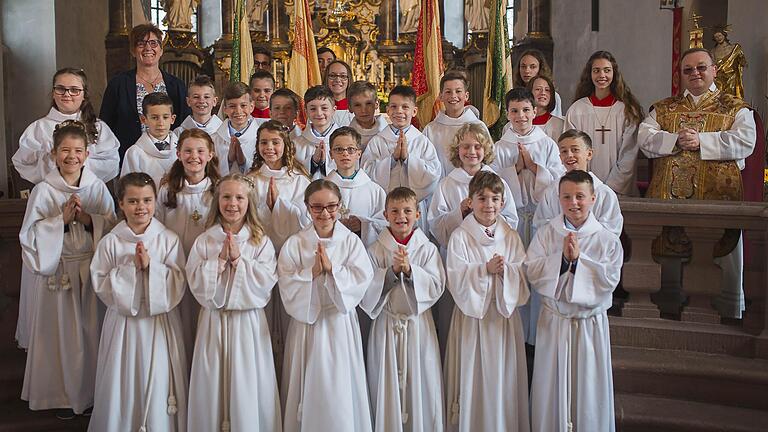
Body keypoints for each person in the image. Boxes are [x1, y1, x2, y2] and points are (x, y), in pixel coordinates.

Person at [638, 47, 756, 319]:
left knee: (719, 253)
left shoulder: (735, 107)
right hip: (670, 201)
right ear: (680, 74)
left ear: (714, 70)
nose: (695, 73)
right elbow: (644, 138)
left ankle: (724, 311)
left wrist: (701, 141)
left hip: (718, 201)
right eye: (688, 69)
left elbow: (746, 141)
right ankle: (669, 308)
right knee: (670, 256)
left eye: (701, 67)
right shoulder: (665, 108)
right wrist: (674, 140)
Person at [19, 121, 114, 420]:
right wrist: (58, 220)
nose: (71, 156)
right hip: (58, 274)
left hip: (89, 269)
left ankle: (91, 396)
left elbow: (112, 227)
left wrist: (88, 219)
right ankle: (62, 396)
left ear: (87, 154)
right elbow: (29, 237)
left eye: (77, 151)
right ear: (53, 153)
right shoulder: (44, 191)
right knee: (61, 338)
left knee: (91, 335)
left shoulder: (96, 186)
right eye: (64, 151)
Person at [525, 170, 623, 432]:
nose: (574, 203)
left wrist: (579, 262)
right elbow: (532, 270)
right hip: (555, 324)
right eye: (567, 197)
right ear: (559, 199)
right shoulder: (547, 234)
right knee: (551, 386)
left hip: (588, 328)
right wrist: (564, 261)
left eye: (580, 196)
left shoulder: (606, 239)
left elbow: (609, 280)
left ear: (593, 198)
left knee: (588, 389)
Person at [89, 173, 188, 432]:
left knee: (159, 381)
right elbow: (100, 282)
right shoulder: (111, 241)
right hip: (124, 324)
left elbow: (179, 280)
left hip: (159, 321)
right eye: (132, 201)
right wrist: (131, 269)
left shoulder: (168, 239)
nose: (140, 207)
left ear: (155, 202)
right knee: (123, 380)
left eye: (147, 200)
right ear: (120, 204)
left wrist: (152, 268)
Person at [186, 173, 282, 432]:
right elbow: (194, 280)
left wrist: (240, 262)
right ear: (217, 201)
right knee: (212, 382)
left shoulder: (260, 241)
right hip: (213, 322)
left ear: (249, 202)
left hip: (248, 324)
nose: (232, 203)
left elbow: (265, 284)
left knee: (247, 383)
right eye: (226, 197)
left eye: (239, 197)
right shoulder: (205, 241)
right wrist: (217, 263)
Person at [278, 180, 374, 432]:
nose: (325, 213)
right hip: (307, 325)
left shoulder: (351, 242)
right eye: (317, 207)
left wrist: (334, 271)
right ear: (307, 208)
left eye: (331, 206)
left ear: (340, 207)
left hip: (339, 324)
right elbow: (286, 284)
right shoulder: (296, 243)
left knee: (341, 389)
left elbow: (363, 277)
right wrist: (311, 273)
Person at [443, 171, 530, 432]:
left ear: (502, 203)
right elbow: (455, 278)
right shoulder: (460, 236)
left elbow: (523, 277)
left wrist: (507, 271)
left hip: (502, 321)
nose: (489, 205)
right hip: (473, 320)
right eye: (482, 198)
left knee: (503, 378)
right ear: (470, 201)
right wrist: (484, 270)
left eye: (495, 199)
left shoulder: (511, 236)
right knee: (472, 376)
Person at [361, 186, 445, 431]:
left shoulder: (427, 249)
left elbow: (438, 284)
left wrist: (410, 272)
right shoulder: (375, 250)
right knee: (384, 386)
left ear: (418, 214)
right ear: (385, 215)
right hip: (387, 325)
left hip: (418, 326)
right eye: (395, 211)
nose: (401, 216)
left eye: (408, 211)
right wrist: (390, 274)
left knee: (423, 384)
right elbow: (365, 290)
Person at [246, 121, 312, 383]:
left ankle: (289, 380)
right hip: (259, 260)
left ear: (286, 145)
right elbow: (244, 220)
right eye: (264, 142)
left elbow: (308, 222)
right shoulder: (250, 180)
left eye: (275, 142)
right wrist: (266, 209)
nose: (270, 148)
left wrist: (280, 206)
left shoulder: (299, 180)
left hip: (290, 258)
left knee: (288, 321)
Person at [156, 128, 221, 361]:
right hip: (176, 264)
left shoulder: (218, 190)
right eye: (188, 151)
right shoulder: (167, 190)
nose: (194, 156)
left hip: (207, 267)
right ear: (178, 154)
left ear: (211, 154)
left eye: (200, 151)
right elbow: (157, 229)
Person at [14, 67, 120, 185]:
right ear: (53, 93)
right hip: (50, 193)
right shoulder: (38, 128)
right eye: (60, 89)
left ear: (84, 95)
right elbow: (23, 162)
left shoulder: (99, 127)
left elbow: (111, 162)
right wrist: (48, 160)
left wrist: (76, 167)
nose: (67, 94)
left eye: (74, 90)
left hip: (89, 193)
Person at [100, 23, 189, 158]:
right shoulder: (118, 84)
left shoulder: (176, 85)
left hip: (170, 158)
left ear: (161, 49)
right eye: (141, 43)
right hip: (129, 157)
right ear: (133, 50)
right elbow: (105, 126)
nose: (148, 48)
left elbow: (184, 124)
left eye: (153, 43)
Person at [361, 85, 441, 234]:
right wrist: (391, 160)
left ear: (414, 111)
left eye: (405, 107)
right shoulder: (378, 141)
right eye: (394, 106)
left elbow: (433, 175)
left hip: (413, 210)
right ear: (388, 110)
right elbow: (366, 172)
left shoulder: (421, 141)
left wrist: (408, 159)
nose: (399, 111)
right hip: (385, 209)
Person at [490, 87, 564, 247]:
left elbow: (559, 179)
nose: (520, 116)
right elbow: (492, 182)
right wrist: (515, 169)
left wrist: (532, 166)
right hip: (510, 216)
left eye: (526, 110)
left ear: (534, 112)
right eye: (514, 111)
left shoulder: (547, 144)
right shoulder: (499, 147)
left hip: (542, 214)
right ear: (507, 114)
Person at [564, 50, 644, 196]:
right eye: (596, 71)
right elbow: (572, 151)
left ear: (614, 74)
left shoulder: (626, 111)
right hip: (584, 190)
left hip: (619, 190)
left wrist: (611, 188)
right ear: (590, 74)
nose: (602, 75)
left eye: (607, 70)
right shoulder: (577, 110)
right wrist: (584, 185)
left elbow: (629, 153)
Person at [533, 129, 623, 237]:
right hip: (558, 250)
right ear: (560, 158)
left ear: (589, 154)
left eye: (575, 149)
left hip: (592, 252)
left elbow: (611, 232)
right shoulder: (551, 191)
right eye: (564, 151)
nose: (569, 155)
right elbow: (541, 226)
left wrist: (580, 245)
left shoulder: (604, 193)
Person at [326, 127, 387, 247]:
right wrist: (335, 226)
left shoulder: (374, 190)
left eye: (351, 149)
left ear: (359, 153)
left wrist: (363, 226)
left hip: (363, 251)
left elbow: (385, 224)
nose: (345, 153)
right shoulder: (323, 189)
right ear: (331, 154)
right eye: (339, 149)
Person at [423, 70, 490, 177]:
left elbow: (488, 159)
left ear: (466, 96)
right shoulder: (430, 130)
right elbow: (425, 164)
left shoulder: (479, 126)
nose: (453, 96)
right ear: (441, 96)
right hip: (442, 188)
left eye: (458, 91)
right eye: (448, 92)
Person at [120, 92, 179, 186]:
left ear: (172, 119)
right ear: (143, 119)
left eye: (165, 117)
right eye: (155, 118)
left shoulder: (183, 149)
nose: (161, 123)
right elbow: (128, 188)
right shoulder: (135, 153)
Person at [294, 85, 340, 179]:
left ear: (334, 110)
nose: (319, 113)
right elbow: (294, 176)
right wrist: (313, 162)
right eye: (313, 109)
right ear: (306, 112)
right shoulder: (296, 144)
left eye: (324, 108)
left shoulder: (344, 141)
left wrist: (323, 163)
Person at [213, 82, 258, 175]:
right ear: (225, 109)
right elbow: (210, 171)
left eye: (243, 105)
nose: (238, 111)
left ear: (252, 107)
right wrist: (228, 161)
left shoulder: (261, 138)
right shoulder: (213, 139)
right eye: (232, 106)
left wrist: (243, 163)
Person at [513, 49, 562, 116]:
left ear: (540, 69)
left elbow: (556, 121)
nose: (527, 71)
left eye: (532, 67)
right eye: (523, 66)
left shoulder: (551, 96)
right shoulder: (513, 94)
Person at [348, 80, 389, 152]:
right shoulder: (348, 136)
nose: (364, 110)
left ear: (376, 104)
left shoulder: (387, 132)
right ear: (350, 108)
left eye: (368, 103)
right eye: (357, 105)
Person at [712, 27, 747, 99]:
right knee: (719, 98)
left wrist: (741, 62)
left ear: (724, 35)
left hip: (731, 77)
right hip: (719, 78)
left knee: (732, 98)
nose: (718, 38)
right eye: (716, 37)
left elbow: (742, 61)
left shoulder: (734, 48)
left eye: (719, 35)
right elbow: (712, 65)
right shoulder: (713, 51)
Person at [527, 75, 564, 142]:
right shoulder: (515, 124)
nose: (543, 93)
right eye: (538, 89)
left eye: (547, 90)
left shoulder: (559, 125)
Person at [325, 60, 355, 126]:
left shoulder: (356, 106)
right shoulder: (318, 106)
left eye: (343, 76)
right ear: (326, 79)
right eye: (332, 76)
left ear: (348, 79)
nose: (338, 80)